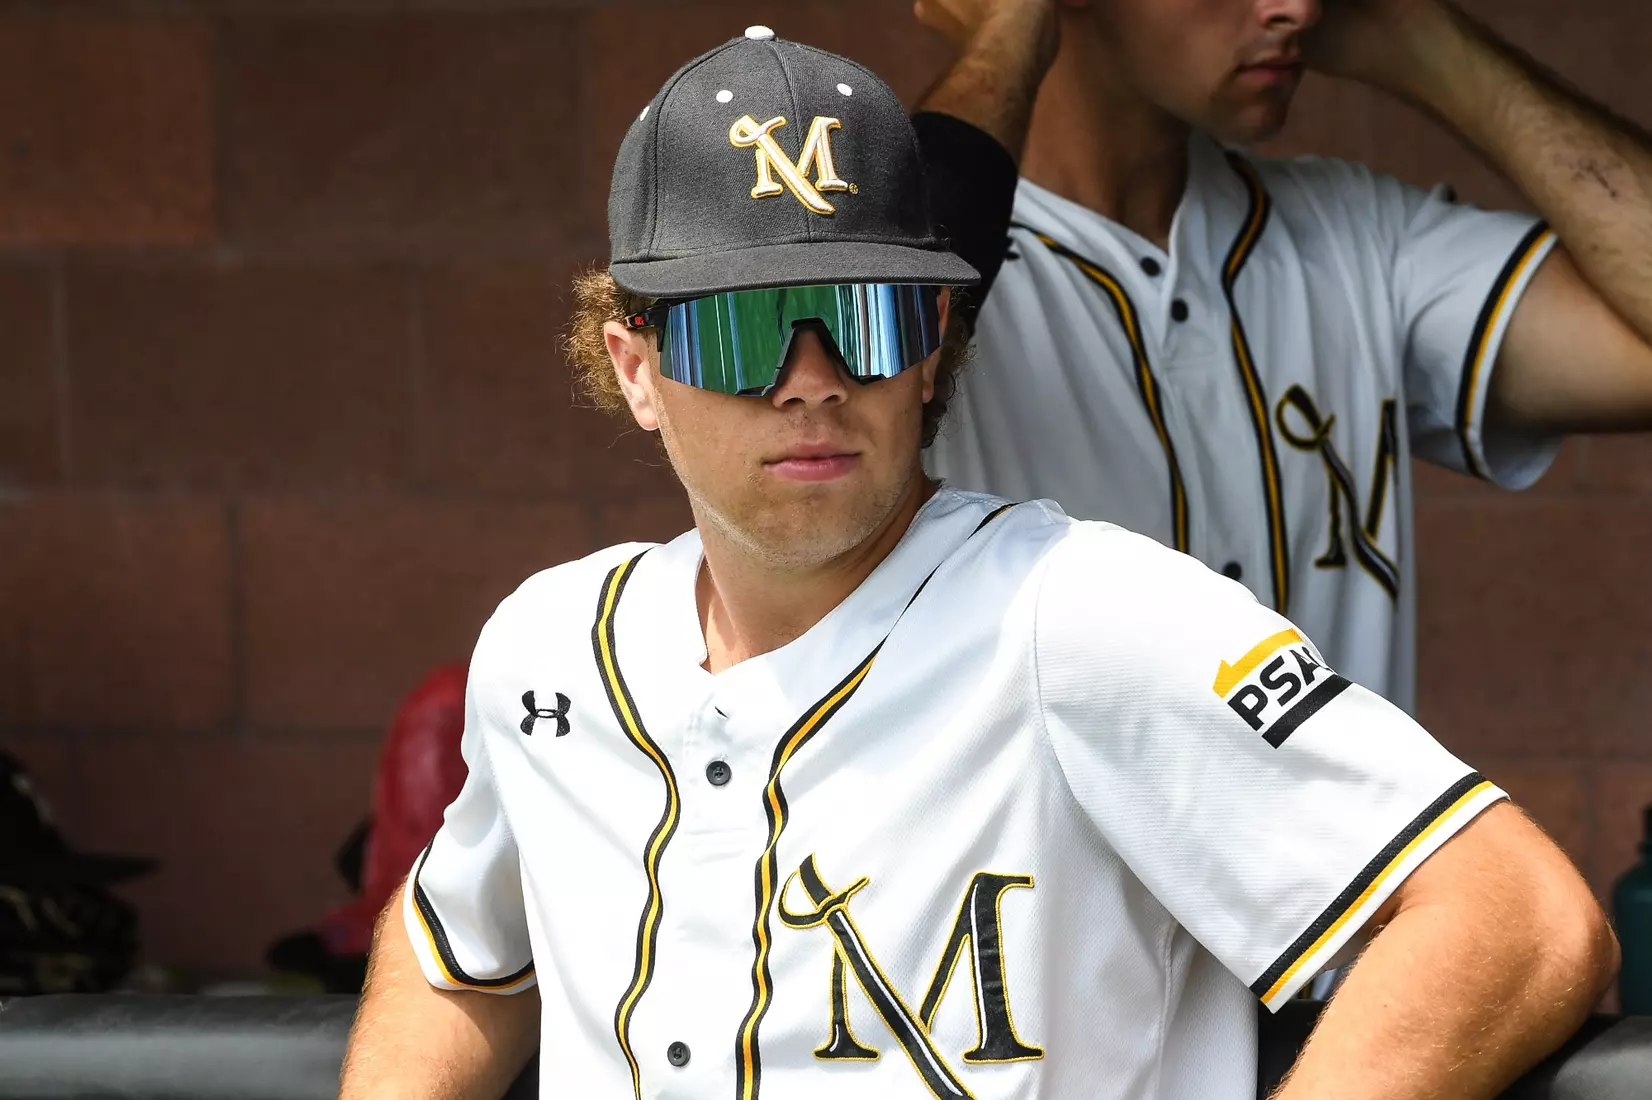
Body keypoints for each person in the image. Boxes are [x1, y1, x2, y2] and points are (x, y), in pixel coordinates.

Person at [339, 27, 1616, 1100]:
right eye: (737, 327)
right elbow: (454, 946)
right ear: (635, 369)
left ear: (937, 339)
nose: (810, 381)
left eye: (864, 314)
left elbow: (1514, 914)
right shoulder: (550, 647)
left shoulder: (1086, 613)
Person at [914, 0, 1652, 715]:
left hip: (1360, 847)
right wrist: (1008, 33)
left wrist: (1425, 39)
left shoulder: (1361, 237)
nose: (1300, 8)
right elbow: (867, 340)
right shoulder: (933, 275)